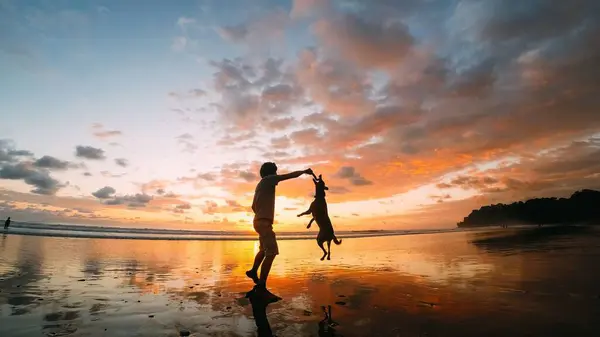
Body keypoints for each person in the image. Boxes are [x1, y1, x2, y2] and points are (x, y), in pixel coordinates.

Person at [246, 162, 312, 298]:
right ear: (271, 173)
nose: (276, 175)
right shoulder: (268, 179)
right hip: (264, 223)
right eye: (275, 172)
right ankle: (261, 285)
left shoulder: (260, 185)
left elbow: (253, 206)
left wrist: (261, 213)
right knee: (271, 252)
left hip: (258, 221)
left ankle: (253, 271)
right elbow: (288, 176)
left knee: (263, 250)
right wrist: (304, 171)